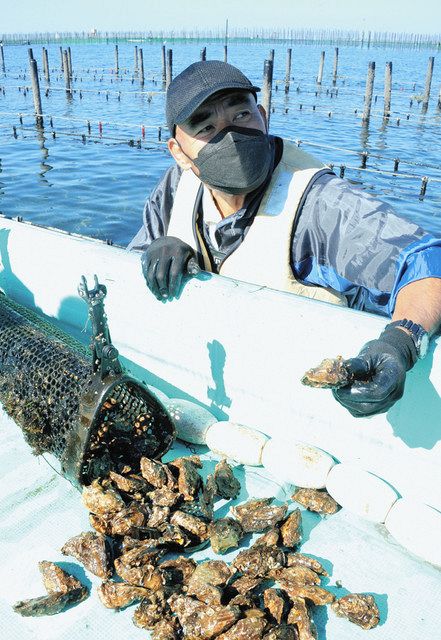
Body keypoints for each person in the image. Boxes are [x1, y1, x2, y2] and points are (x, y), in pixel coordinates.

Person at [128, 60, 441, 418]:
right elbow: (129, 269)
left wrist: (400, 342)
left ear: (262, 116)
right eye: (206, 127)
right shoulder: (174, 188)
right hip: (219, 384)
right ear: (178, 151)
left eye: (241, 115)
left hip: (306, 401)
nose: (229, 136)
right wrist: (154, 252)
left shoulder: (322, 203)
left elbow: (426, 264)